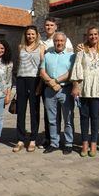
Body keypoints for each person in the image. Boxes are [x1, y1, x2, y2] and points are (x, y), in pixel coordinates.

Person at [71, 26, 99, 157]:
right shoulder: (82, 51)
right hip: (84, 87)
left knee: (95, 116)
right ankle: (85, 143)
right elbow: (77, 68)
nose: (93, 37)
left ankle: (93, 143)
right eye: (90, 34)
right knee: (84, 116)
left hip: (97, 87)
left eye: (95, 34)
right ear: (87, 36)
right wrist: (75, 86)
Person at [38, 16, 74, 149]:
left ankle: (69, 143)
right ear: (53, 42)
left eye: (61, 41)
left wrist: (57, 81)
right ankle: (54, 143)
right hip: (49, 90)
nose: (59, 43)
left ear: (65, 42)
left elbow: (71, 73)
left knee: (68, 119)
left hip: (65, 90)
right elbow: (42, 71)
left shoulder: (71, 56)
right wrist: (51, 83)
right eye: (57, 41)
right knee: (52, 119)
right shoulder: (47, 55)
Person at [13, 25, 45, 153]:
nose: (30, 36)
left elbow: (43, 65)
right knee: (20, 110)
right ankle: (20, 139)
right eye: (28, 34)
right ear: (25, 35)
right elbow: (19, 65)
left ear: (37, 35)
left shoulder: (41, 47)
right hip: (21, 80)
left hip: (35, 80)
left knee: (34, 110)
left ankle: (33, 139)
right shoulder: (21, 47)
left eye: (32, 34)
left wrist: (40, 84)